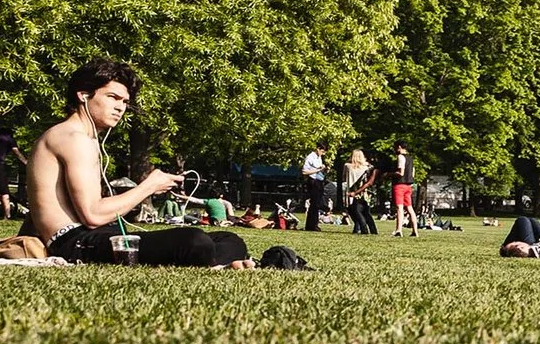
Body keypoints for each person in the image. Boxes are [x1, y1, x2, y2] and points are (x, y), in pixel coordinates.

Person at [19, 59, 252, 267]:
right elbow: (92, 215)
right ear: (84, 95)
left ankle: (214, 261)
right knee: (193, 241)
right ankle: (216, 261)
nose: (120, 107)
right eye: (112, 97)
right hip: (78, 243)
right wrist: (149, 186)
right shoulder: (73, 138)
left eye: (124, 101)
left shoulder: (78, 137)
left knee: (230, 239)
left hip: (97, 236)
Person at [341, 149, 378, 235]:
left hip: (352, 191)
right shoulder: (367, 168)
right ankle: (372, 230)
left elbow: (344, 177)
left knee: (355, 211)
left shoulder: (347, 166)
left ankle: (363, 228)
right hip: (364, 192)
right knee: (366, 212)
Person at [390, 142, 419, 236]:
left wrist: (388, 174)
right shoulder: (410, 158)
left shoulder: (400, 157)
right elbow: (413, 173)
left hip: (399, 185)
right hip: (408, 185)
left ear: (399, 147)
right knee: (410, 208)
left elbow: (400, 172)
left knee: (400, 207)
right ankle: (415, 231)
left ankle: (399, 230)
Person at [300, 146, 328, 231]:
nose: (323, 154)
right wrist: (318, 170)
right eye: (322, 151)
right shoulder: (310, 157)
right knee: (315, 204)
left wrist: (324, 169)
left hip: (319, 180)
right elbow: (304, 171)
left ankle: (313, 224)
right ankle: (311, 225)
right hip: (313, 181)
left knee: (317, 204)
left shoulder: (319, 158)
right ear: (318, 149)